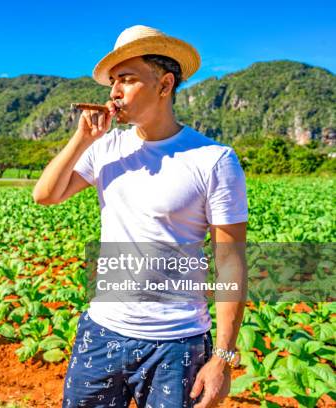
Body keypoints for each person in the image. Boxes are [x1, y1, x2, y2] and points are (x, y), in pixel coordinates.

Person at [33, 25, 248, 408]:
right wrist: (83, 139)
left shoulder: (214, 159)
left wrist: (223, 358)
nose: (114, 92)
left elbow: (230, 262)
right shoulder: (107, 149)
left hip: (176, 343)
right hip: (101, 332)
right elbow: (45, 195)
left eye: (127, 80)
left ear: (165, 85)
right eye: (113, 81)